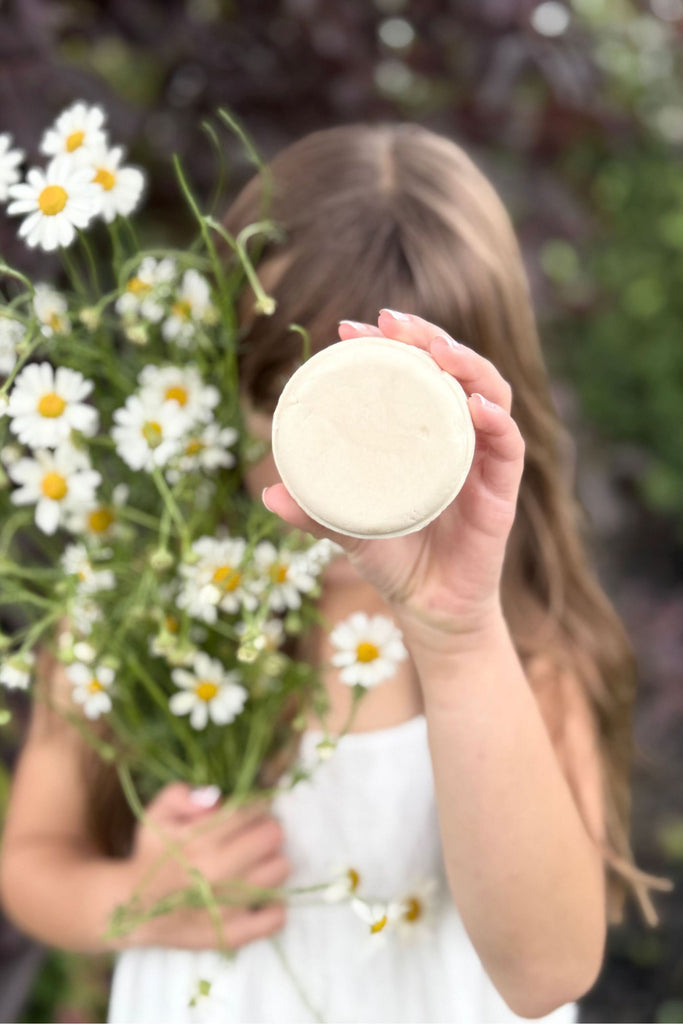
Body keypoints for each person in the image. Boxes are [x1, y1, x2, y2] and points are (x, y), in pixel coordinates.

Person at [0, 122, 668, 1024]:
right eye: (292, 398)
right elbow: (33, 861)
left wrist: (455, 633)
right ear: (221, 375)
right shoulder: (137, 616)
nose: (339, 467)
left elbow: (545, 971)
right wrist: (134, 897)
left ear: (473, 413)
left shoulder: (520, 653)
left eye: (397, 417)